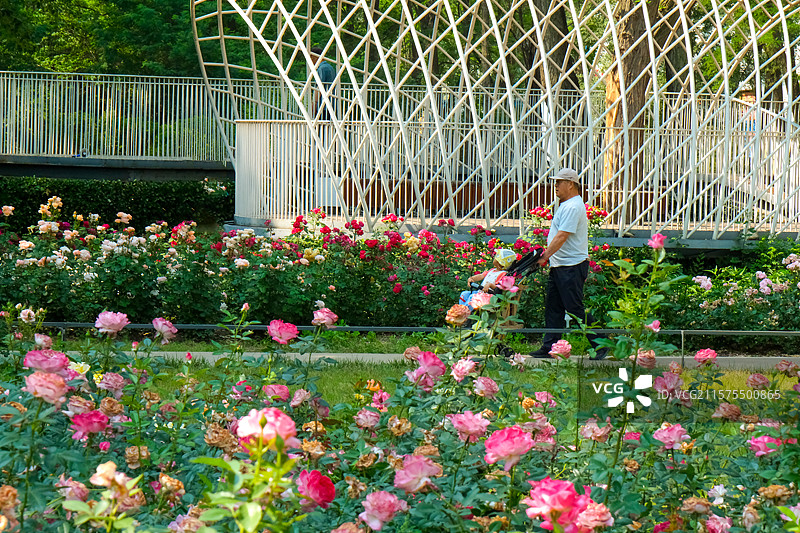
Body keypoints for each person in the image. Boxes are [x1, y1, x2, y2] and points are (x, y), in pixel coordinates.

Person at [529, 168, 607, 360]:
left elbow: (562, 236)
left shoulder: (573, 206)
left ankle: (601, 344)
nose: (555, 186)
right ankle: (550, 347)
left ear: (570, 184)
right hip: (561, 265)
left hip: (571, 266)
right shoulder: (567, 205)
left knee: (574, 308)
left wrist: (545, 256)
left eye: (558, 182)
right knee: (554, 307)